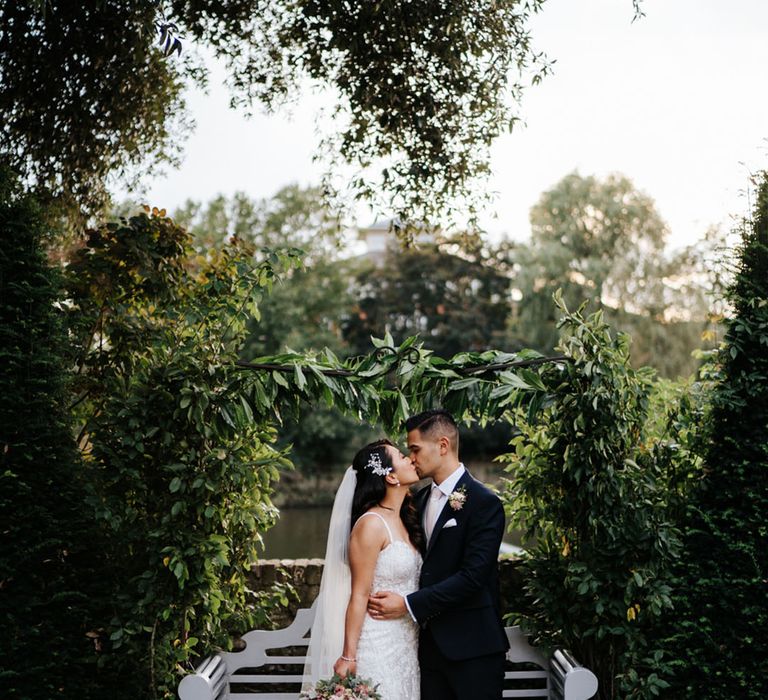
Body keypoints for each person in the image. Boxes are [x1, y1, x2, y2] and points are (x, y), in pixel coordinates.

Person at [368, 409, 509, 700]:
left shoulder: (485, 503)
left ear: (443, 445)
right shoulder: (417, 500)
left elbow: (473, 577)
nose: (411, 458)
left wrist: (408, 604)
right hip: (427, 652)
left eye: (415, 449)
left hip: (474, 651)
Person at [302, 439, 424, 700]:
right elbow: (358, 595)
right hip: (377, 645)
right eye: (402, 456)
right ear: (390, 477)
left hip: (406, 645)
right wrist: (348, 655)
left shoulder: (404, 518)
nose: (411, 459)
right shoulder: (371, 524)